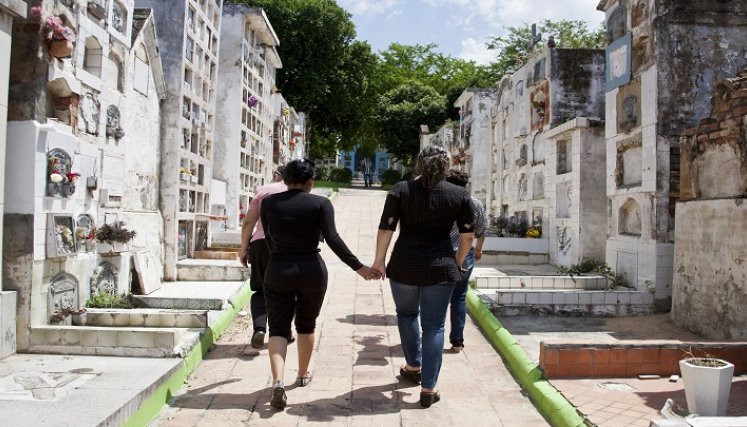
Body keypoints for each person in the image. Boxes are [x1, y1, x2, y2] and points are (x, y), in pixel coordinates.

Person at [260, 159, 380, 409]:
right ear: (311, 182)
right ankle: (302, 375)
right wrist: (359, 268)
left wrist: (278, 257)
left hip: (278, 268)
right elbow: (333, 239)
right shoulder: (320, 204)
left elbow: (269, 237)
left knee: (278, 329)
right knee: (306, 325)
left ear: (285, 180)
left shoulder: (269, 202)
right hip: (311, 269)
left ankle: (278, 382)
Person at [371, 146, 474, 408]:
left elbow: (386, 228)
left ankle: (413, 365)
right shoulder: (459, 194)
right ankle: (428, 388)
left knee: (406, 315)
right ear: (447, 165)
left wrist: (379, 261)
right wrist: (458, 261)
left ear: (418, 163)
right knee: (435, 326)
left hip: (404, 265)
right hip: (440, 267)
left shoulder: (401, 190)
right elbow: (468, 236)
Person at [238, 166, 289, 349]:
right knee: (285, 291)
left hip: (260, 244)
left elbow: (249, 222)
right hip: (287, 247)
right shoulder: (297, 191)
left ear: (277, 175)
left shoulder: (264, 190)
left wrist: (244, 249)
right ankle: (285, 331)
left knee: (260, 290)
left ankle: (259, 329)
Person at [444, 170, 487, 353]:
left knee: (434, 295)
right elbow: (482, 229)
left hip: (442, 254)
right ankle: (457, 341)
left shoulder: (442, 202)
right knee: (459, 296)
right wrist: (478, 249)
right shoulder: (476, 203)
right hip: (466, 254)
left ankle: (430, 335)